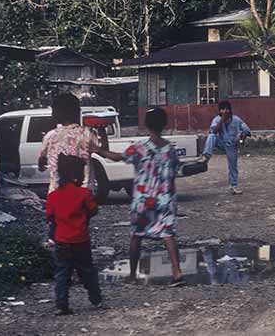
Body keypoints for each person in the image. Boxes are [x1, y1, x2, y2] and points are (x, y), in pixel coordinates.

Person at [94, 107, 184, 285]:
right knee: (168, 234)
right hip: (165, 199)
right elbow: (174, 172)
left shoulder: (139, 148)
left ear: (146, 125)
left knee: (137, 235)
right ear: (164, 125)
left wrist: (97, 149)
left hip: (143, 200)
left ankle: (133, 274)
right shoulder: (170, 150)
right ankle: (176, 270)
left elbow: (116, 156)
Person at [45, 154, 102, 314]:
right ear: (74, 174)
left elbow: (50, 217)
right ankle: (95, 298)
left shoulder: (53, 196)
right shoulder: (83, 194)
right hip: (80, 239)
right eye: (81, 172)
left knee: (62, 272)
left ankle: (61, 305)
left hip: (61, 239)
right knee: (87, 270)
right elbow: (93, 210)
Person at [39, 92, 99, 194]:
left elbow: (41, 163)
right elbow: (103, 151)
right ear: (77, 112)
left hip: (57, 195)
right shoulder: (88, 133)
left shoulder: (50, 136)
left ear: (56, 113)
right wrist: (101, 130)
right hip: (83, 194)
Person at [203, 100, 251, 195]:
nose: (225, 111)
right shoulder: (217, 119)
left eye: (227, 109)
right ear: (220, 111)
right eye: (223, 109)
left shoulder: (236, 119)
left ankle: (233, 186)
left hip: (231, 145)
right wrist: (222, 120)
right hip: (220, 142)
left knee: (233, 166)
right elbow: (213, 131)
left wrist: (243, 136)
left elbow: (247, 130)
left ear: (230, 110)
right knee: (211, 136)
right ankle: (206, 156)